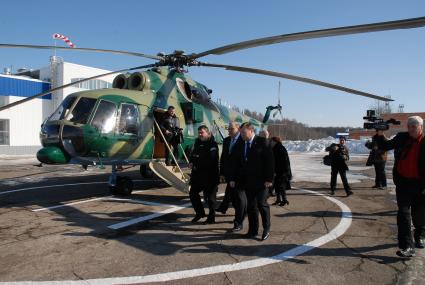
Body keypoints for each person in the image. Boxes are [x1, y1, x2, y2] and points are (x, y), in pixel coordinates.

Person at [378, 116, 425, 258]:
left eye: (414, 126)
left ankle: (420, 235)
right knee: (403, 214)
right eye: (409, 126)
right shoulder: (402, 138)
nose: (411, 129)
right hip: (403, 183)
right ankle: (407, 246)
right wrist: (380, 133)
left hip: (420, 184)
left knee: (419, 214)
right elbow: (385, 146)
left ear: (421, 127)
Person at [230, 122, 274, 241]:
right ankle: (253, 230)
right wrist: (233, 178)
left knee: (261, 203)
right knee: (251, 206)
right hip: (248, 181)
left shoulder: (262, 141)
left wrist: (269, 179)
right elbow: (236, 162)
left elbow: (270, 161)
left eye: (244, 133)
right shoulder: (241, 143)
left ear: (251, 131)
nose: (242, 135)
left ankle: (266, 228)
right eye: (241, 133)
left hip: (262, 181)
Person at [216, 121, 247, 232]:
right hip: (229, 176)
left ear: (238, 129)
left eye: (231, 129)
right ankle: (242, 213)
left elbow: (244, 161)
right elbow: (223, 158)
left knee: (239, 199)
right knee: (234, 199)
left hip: (240, 176)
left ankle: (238, 223)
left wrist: (236, 177)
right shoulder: (226, 140)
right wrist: (222, 173)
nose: (229, 131)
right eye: (228, 129)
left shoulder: (243, 140)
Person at [189, 125, 220, 224]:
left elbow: (212, 160)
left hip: (210, 176)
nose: (200, 134)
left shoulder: (213, 144)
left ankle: (211, 218)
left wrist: (197, 165)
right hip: (197, 176)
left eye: (202, 132)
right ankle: (200, 213)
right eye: (199, 133)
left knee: (210, 199)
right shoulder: (197, 142)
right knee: (193, 193)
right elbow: (192, 155)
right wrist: (191, 162)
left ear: (208, 133)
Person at [270, 136, 292, 206]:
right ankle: (278, 199)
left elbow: (284, 161)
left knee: (281, 186)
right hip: (278, 171)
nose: (270, 143)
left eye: (271, 141)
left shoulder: (280, 148)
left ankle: (284, 200)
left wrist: (283, 171)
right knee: (277, 186)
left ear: (275, 142)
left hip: (282, 171)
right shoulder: (275, 148)